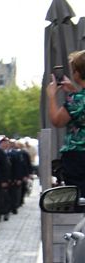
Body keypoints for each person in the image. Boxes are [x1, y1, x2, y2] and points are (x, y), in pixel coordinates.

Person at [47, 50, 85, 193]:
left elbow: (57, 121)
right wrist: (74, 91)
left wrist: (52, 96)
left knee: (79, 195)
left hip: (78, 155)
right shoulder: (78, 98)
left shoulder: (77, 100)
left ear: (77, 73)